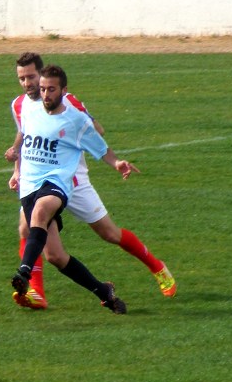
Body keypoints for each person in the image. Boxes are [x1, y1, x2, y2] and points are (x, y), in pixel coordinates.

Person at [6, 53, 176, 302]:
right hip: (38, 181)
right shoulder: (19, 105)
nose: (27, 83)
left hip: (72, 180)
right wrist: (17, 170)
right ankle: (35, 292)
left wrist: (74, 132)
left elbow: (95, 130)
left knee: (109, 233)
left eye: (31, 77)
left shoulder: (68, 103)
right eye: (22, 78)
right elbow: (26, 136)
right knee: (27, 227)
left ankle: (157, 266)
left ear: (42, 75)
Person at [10, 62, 139, 314]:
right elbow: (23, 135)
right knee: (55, 256)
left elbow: (100, 147)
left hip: (57, 183)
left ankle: (24, 273)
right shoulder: (28, 110)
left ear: (63, 90)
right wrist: (15, 155)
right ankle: (104, 292)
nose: (46, 94)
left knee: (40, 212)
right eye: (43, 89)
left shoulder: (75, 120)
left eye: (52, 90)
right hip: (30, 185)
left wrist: (116, 162)